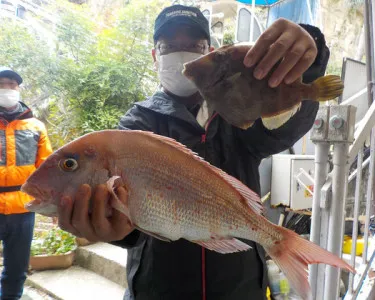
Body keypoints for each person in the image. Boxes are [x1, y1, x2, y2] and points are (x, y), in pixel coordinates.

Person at [57, 4, 330, 300]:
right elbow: (131, 219)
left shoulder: (239, 111)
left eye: (193, 45)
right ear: (154, 57)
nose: (181, 53)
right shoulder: (134, 127)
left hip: (240, 289)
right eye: (169, 46)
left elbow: (284, 129)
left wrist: (308, 56)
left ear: (209, 53)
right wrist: (114, 228)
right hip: (159, 290)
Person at [0, 67, 53, 299]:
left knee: (17, 269)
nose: (7, 89)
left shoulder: (36, 127)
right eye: (2, 84)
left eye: (12, 84)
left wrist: (52, 205)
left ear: (19, 89)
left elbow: (47, 169)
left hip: (23, 208)